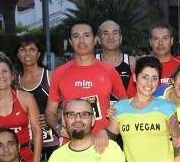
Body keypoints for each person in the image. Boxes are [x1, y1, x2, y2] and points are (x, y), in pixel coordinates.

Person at [45, 21, 127, 153]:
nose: (82, 41)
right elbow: (50, 112)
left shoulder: (109, 71)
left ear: (95, 40)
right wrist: (58, 127)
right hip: (71, 145)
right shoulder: (60, 73)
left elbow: (126, 104)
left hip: (103, 144)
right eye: (76, 36)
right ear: (71, 42)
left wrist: (111, 123)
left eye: (87, 35)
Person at [17, 35, 58, 162]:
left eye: (32, 49)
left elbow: (68, 105)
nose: (27, 53)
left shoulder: (51, 77)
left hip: (53, 140)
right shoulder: (13, 81)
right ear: (17, 54)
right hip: (26, 143)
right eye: (23, 49)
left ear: (39, 54)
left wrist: (51, 117)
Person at [97, 20, 136, 91]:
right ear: (99, 39)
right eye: (106, 33)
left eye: (115, 33)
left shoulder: (131, 62)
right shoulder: (92, 62)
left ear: (120, 38)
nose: (111, 37)